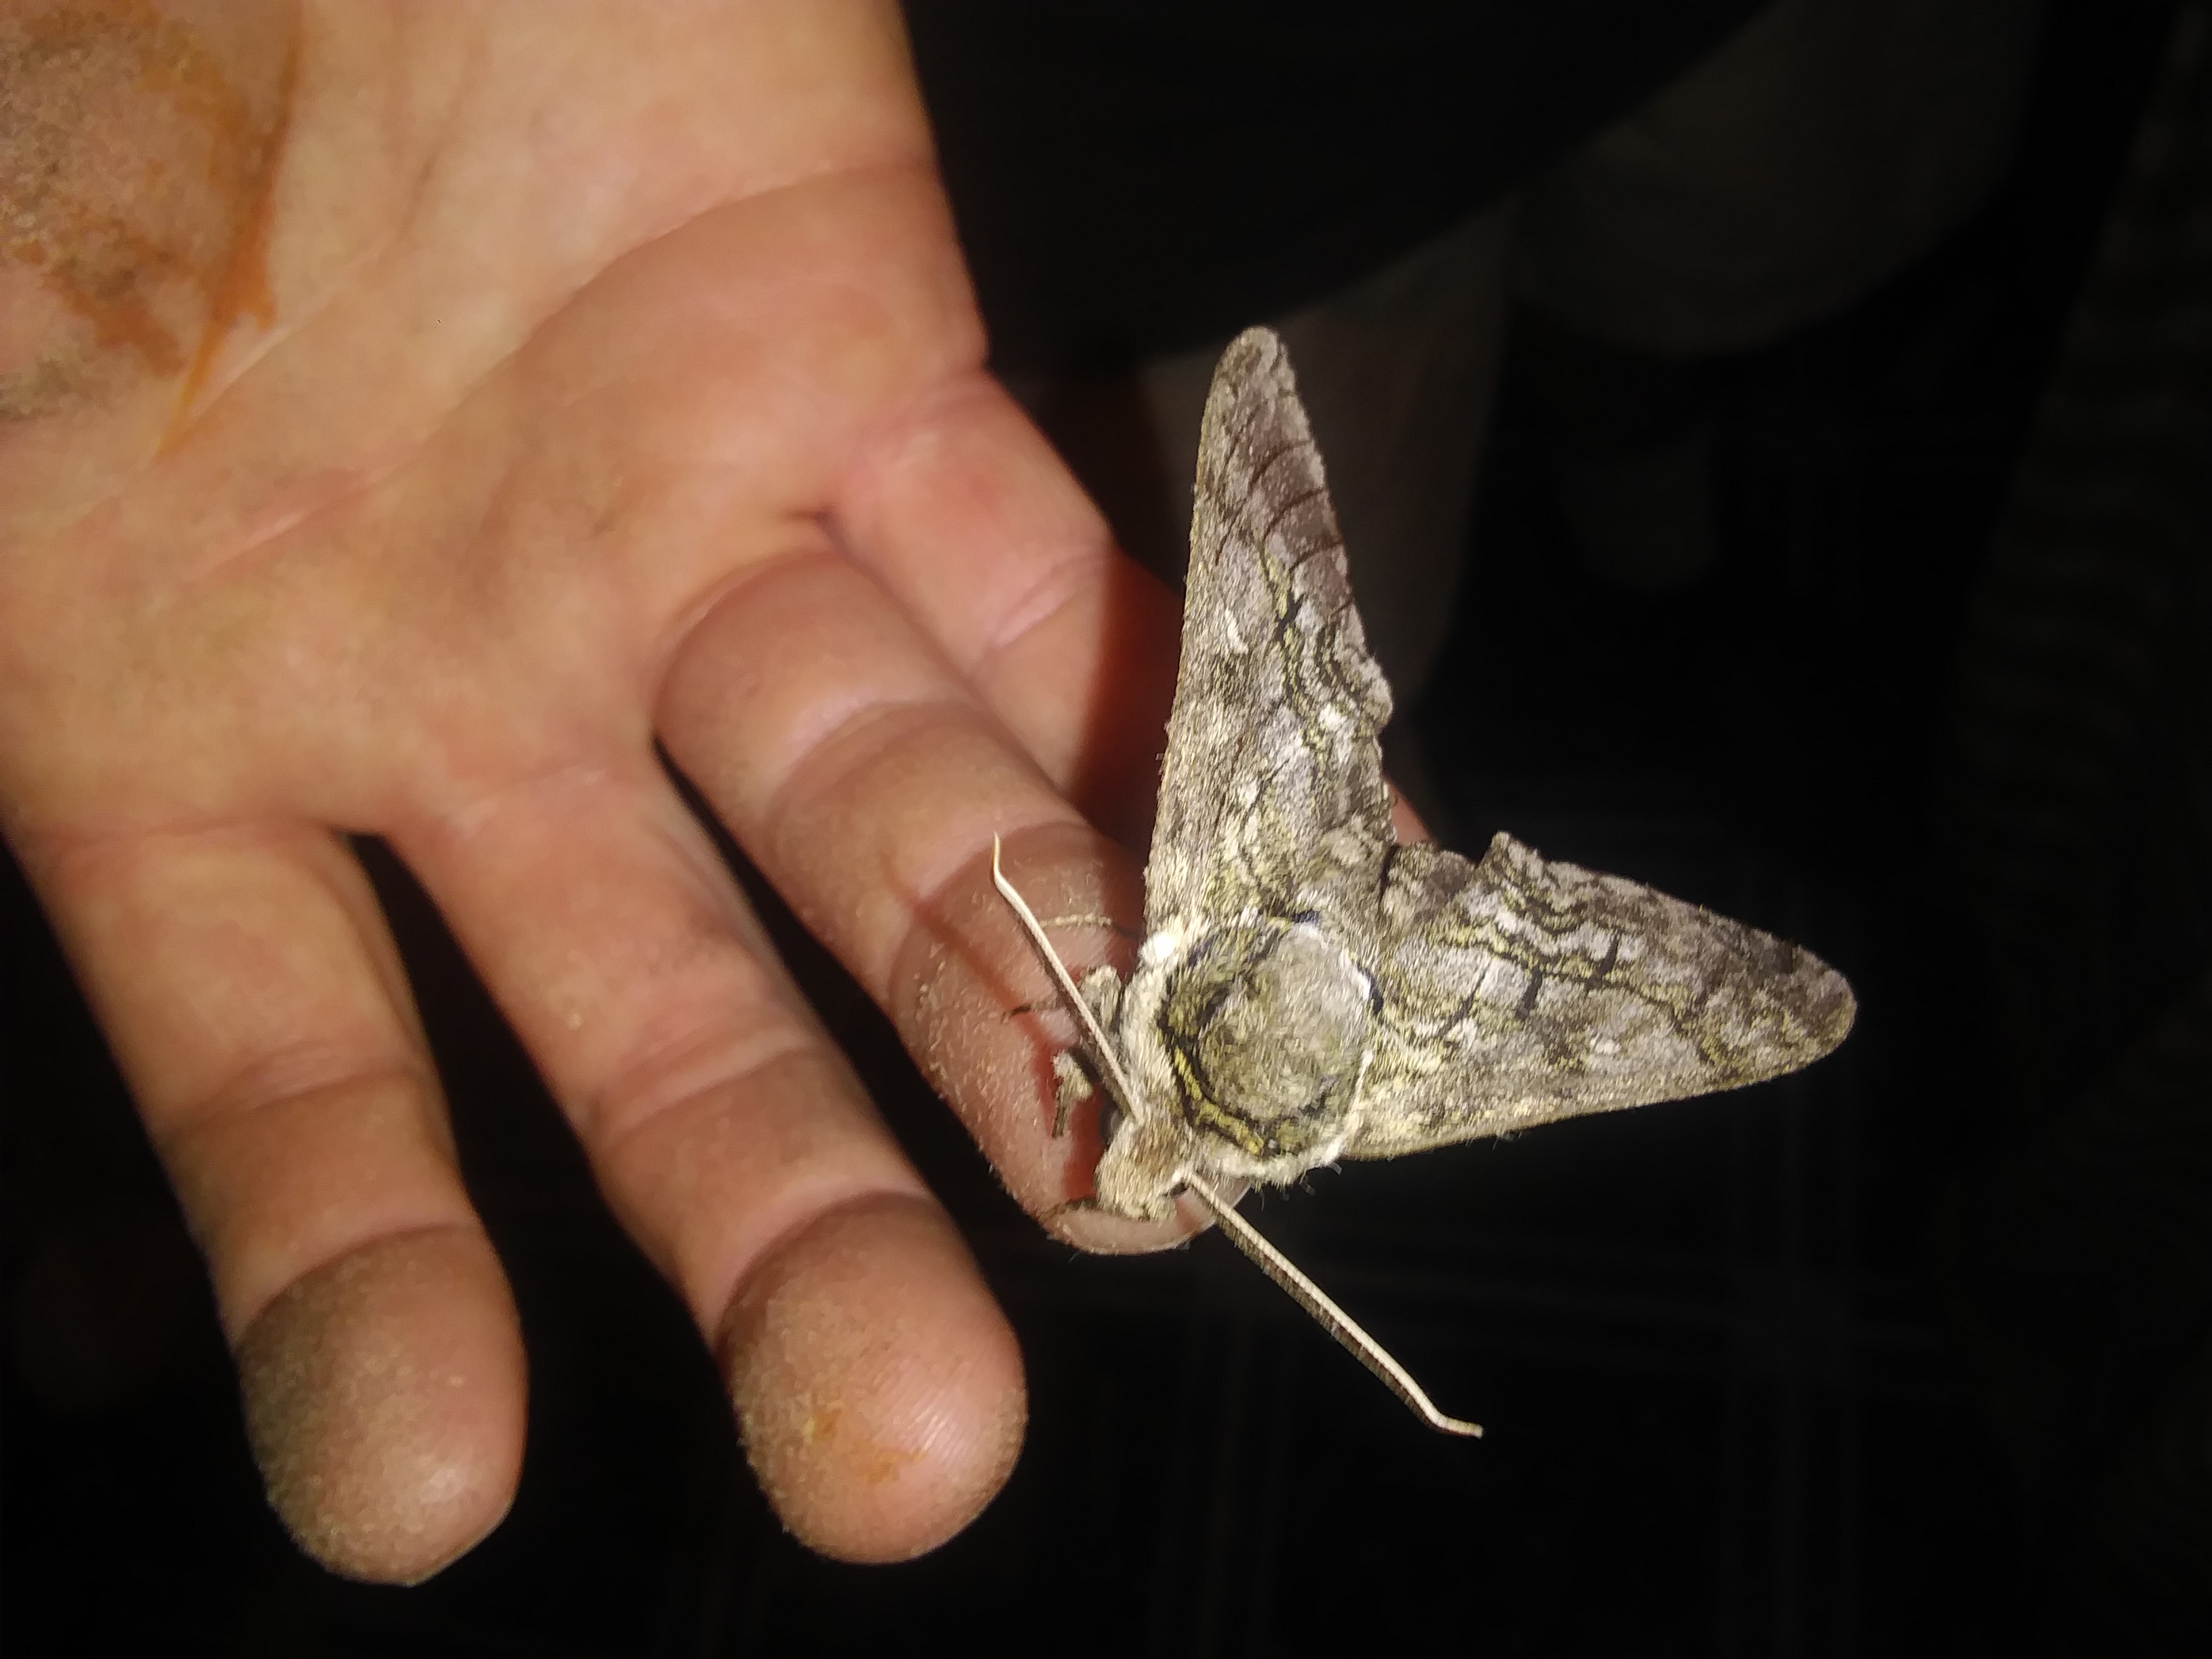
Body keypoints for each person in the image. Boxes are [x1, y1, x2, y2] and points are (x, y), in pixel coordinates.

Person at [0, 0, 2041, 1585]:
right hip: (1219, 159)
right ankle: (1657, 536)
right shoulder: (1196, 1028)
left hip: (1650, 57)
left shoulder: (1179, 1000)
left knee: (1738, 221)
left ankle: (1656, 501)